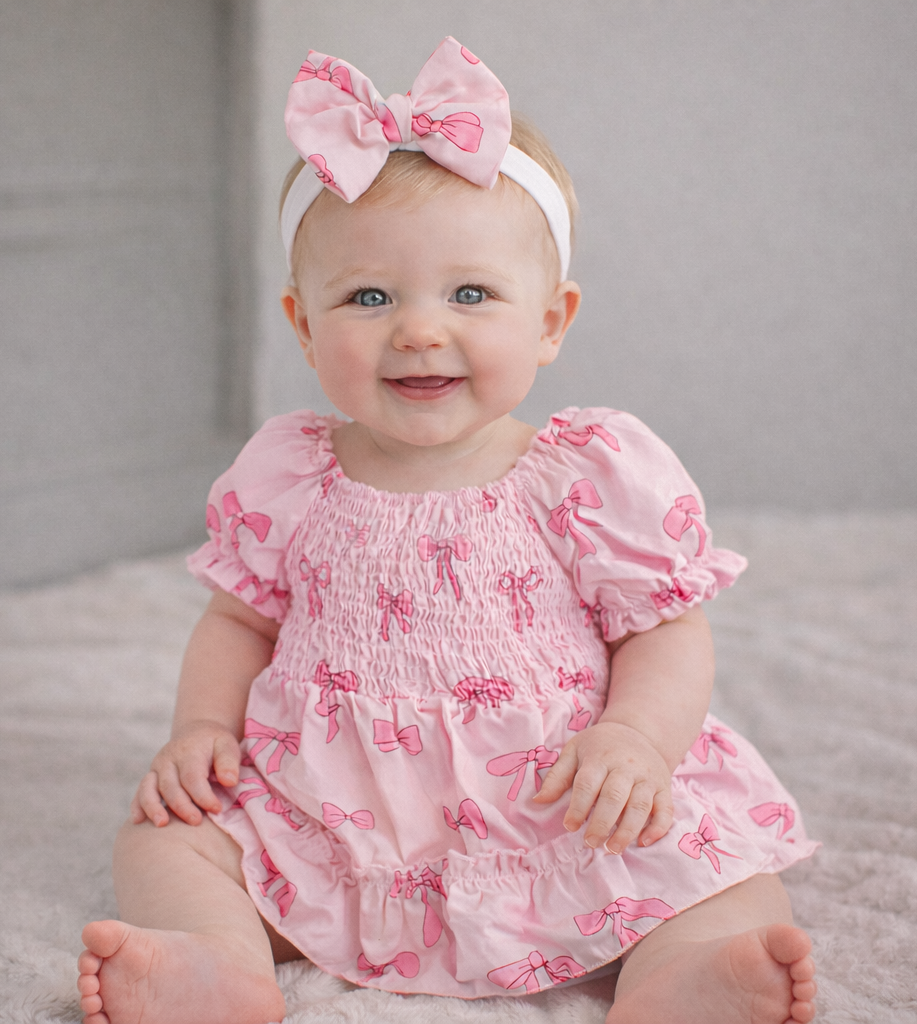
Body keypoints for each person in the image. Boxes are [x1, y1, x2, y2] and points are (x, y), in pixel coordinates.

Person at [77, 38, 818, 1024]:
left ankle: (684, 977)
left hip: (558, 795)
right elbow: (237, 622)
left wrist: (635, 739)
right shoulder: (290, 474)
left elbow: (662, 627)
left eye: (469, 294)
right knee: (165, 835)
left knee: (705, 855)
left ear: (551, 320)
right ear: (303, 326)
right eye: (368, 297)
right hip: (333, 808)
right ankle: (217, 966)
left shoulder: (585, 473)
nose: (419, 329)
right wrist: (201, 732)